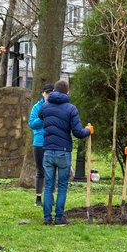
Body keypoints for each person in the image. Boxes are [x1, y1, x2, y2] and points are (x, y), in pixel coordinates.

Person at [39, 80, 92, 226]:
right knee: (62, 185)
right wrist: (89, 130)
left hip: (48, 151)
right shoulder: (71, 109)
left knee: (49, 185)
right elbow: (78, 132)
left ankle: (47, 218)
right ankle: (60, 218)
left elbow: (40, 116)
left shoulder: (45, 106)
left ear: (54, 91)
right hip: (63, 151)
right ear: (67, 92)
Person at [28, 83, 54, 206]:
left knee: (52, 171)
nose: (49, 95)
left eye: (51, 93)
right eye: (47, 93)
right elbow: (32, 124)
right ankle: (38, 198)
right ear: (43, 94)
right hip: (39, 143)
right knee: (40, 171)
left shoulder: (56, 107)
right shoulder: (37, 107)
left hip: (52, 142)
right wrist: (42, 117)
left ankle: (50, 197)